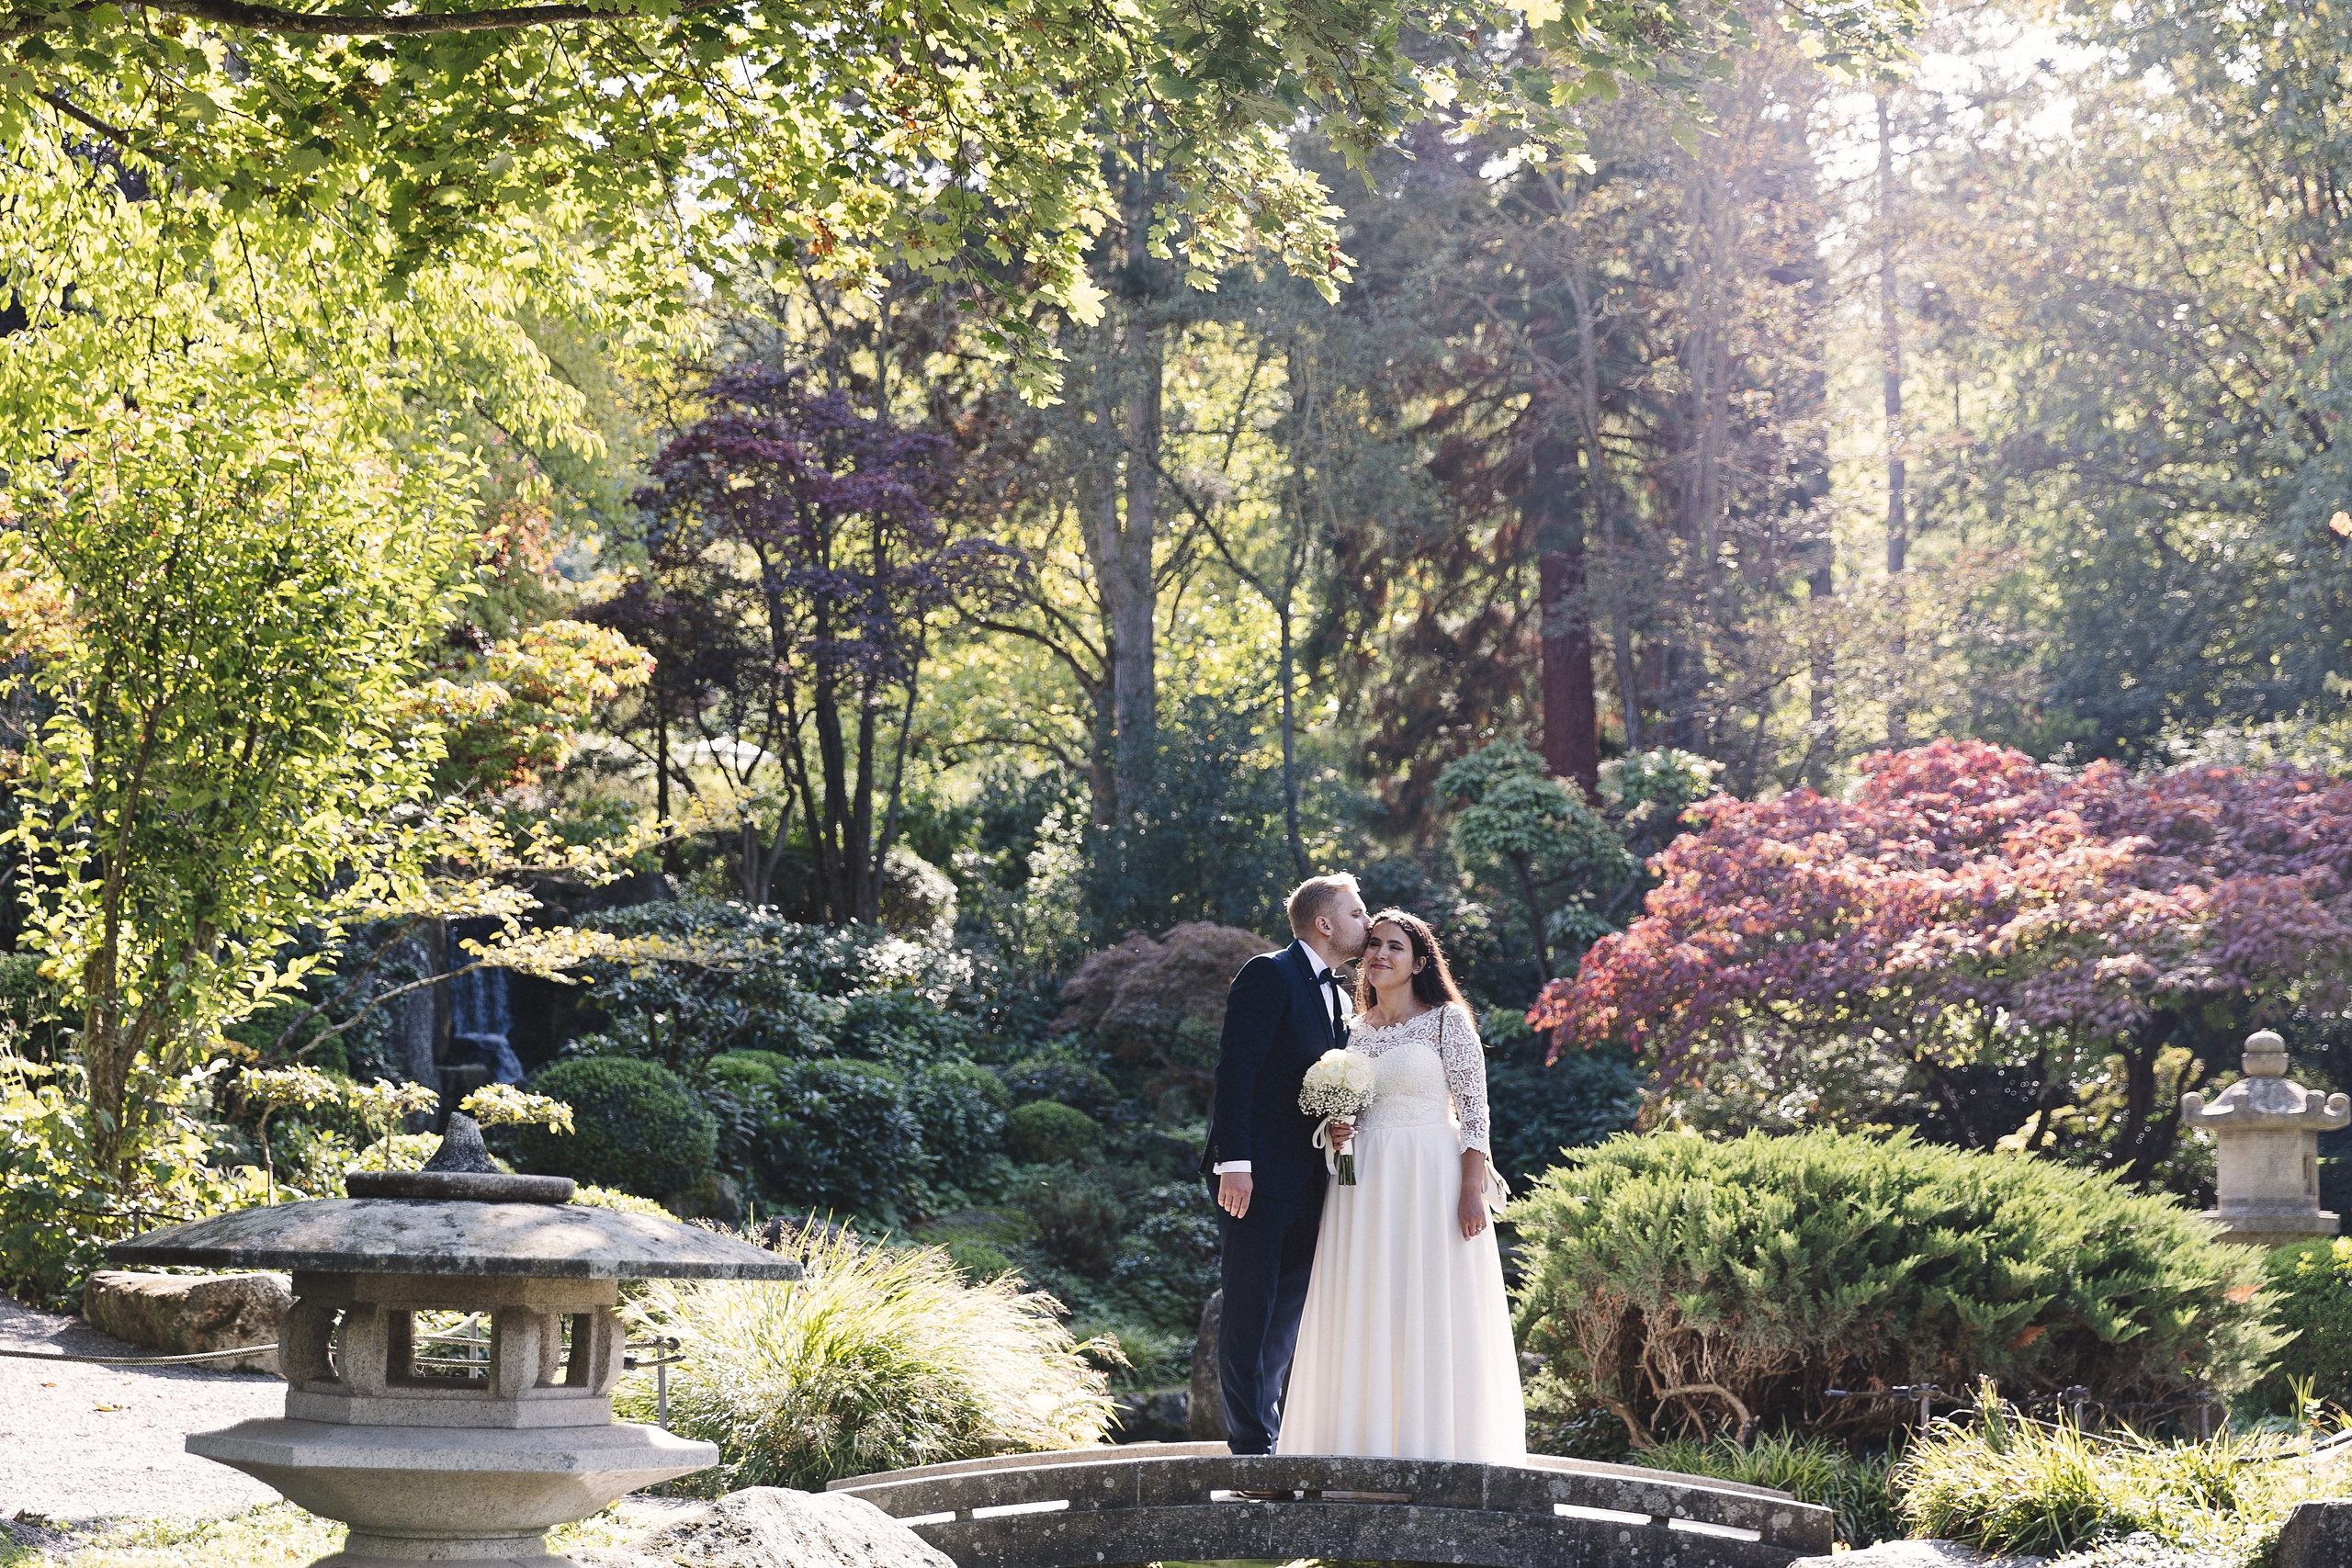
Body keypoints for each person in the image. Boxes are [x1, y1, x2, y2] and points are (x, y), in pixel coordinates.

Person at [1275, 908, 1525, 1463]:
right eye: (1374, 946)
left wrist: (1470, 1190)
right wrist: (1338, 1128)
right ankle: (1361, 1447)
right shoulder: (1353, 1031)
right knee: (1367, 1302)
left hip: (1430, 1177)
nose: (1381, 955)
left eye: (1395, 947)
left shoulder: (1446, 1021)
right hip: (1361, 1185)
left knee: (1429, 1302)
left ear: (1418, 963)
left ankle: (1438, 1446)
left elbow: (1475, 1110)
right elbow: (1348, 1112)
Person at [1201, 872, 1371, 1456]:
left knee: (1288, 1316)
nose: (1366, 925)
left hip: (1312, 1180)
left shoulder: (1341, 995)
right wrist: (1234, 1164)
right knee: (1250, 1308)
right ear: (1324, 924)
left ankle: (1272, 1434)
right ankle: (1251, 1447)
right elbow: (1236, 1070)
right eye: (1356, 914)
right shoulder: (1268, 974)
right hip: (1255, 1177)